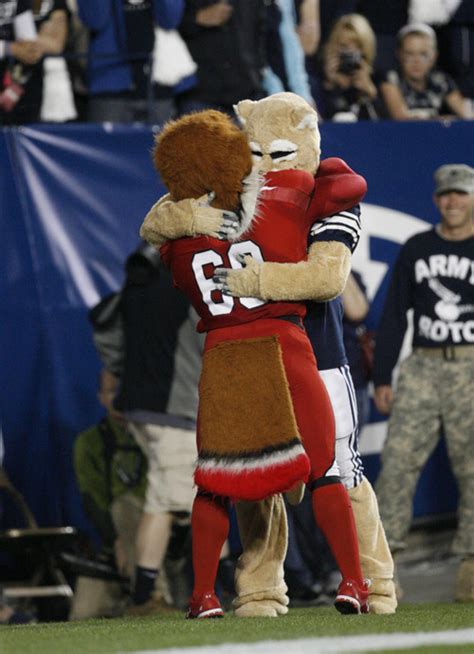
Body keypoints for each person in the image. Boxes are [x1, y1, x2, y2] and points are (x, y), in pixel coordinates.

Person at [373, 163, 474, 602]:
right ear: (436, 200)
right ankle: (381, 571)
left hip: (471, 366)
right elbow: (395, 314)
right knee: (396, 466)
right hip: (422, 366)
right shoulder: (417, 247)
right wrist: (383, 375)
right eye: (446, 195)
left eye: (461, 194)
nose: (453, 202)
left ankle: (471, 567)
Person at [109, 242, 203, 615]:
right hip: (175, 410)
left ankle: (218, 581)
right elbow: (212, 337)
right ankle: (144, 597)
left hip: (138, 408)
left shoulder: (138, 277)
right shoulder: (188, 280)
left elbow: (104, 322)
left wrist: (117, 375)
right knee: (165, 502)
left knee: (195, 499)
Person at [76, 0, 192, 124]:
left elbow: (170, 20)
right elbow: (94, 19)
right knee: (105, 143)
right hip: (110, 84)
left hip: (157, 83)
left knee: (160, 142)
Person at [177, 0, 267, 116]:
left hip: (246, 93)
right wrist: (196, 18)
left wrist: (257, 73)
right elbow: (163, 25)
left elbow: (260, 32)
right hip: (199, 93)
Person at [0, 0, 74, 125]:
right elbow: (19, 47)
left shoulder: (21, 3)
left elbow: (30, 47)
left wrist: (14, 88)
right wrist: (11, 48)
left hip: (17, 91)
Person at [379, 23, 468, 120]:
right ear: (399, 54)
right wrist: (441, 121)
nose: (417, 61)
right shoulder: (390, 78)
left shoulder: (440, 80)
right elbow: (401, 119)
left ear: (434, 56)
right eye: (409, 54)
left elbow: (467, 114)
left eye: (424, 55)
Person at [316, 13, 380, 121]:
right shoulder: (318, 79)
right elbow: (317, 123)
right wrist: (330, 86)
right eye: (344, 46)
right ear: (333, 47)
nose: (350, 52)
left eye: (358, 46)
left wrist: (369, 92)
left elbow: (388, 129)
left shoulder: (378, 79)